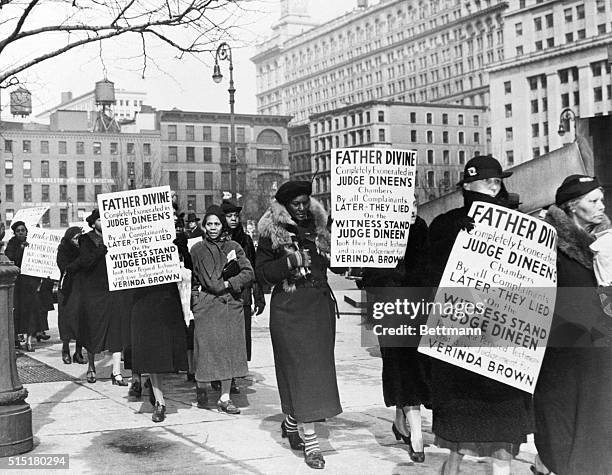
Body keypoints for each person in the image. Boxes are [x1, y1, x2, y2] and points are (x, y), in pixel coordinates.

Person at [428, 155, 534, 475]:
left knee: (501, 435)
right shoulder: (446, 225)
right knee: (460, 437)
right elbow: (429, 279)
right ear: (467, 185)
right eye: (488, 180)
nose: (495, 184)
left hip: (503, 340)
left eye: (498, 180)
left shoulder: (519, 224)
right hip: (463, 339)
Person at [256, 180, 342, 470]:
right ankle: (313, 444)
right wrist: (290, 261)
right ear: (285, 206)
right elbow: (264, 273)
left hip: (319, 309)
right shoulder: (271, 232)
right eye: (297, 204)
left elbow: (335, 264)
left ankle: (292, 421)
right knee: (301, 373)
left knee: (316, 373)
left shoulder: (319, 227)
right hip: (289, 311)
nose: (303, 208)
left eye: (306, 202)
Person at [533, 175, 612, 474]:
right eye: (592, 201)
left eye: (601, 199)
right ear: (571, 207)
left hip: (600, 356)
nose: (601, 206)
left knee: (598, 432)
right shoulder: (547, 246)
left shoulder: (606, 244)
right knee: (560, 429)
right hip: (561, 357)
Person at [362, 202, 431, 463]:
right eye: (405, 204)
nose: (411, 208)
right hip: (391, 309)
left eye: (414, 203)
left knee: (417, 369)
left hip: (419, 309)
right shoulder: (378, 232)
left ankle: (402, 419)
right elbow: (370, 276)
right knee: (401, 368)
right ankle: (417, 437)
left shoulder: (422, 230)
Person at [190, 206, 253, 414]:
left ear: (222, 225)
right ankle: (201, 386)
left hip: (229, 306)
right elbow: (204, 280)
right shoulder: (198, 249)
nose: (213, 228)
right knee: (206, 349)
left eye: (217, 224)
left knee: (229, 351)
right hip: (207, 305)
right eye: (209, 224)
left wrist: (230, 283)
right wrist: (197, 300)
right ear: (204, 226)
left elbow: (248, 272)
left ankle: (225, 398)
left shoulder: (233, 246)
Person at [77, 209, 127, 386]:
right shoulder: (85, 240)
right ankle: (91, 366)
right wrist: (100, 251)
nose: (103, 222)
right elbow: (85, 263)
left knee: (116, 330)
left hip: (114, 290)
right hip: (94, 292)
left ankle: (116, 372)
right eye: (99, 219)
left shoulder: (118, 237)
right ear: (92, 223)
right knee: (93, 329)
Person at [221, 200, 266, 365]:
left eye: (236, 216)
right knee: (223, 334)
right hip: (222, 293)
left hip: (243, 295)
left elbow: (254, 269)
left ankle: (238, 370)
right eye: (229, 216)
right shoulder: (216, 239)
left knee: (242, 333)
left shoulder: (246, 240)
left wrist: (259, 297)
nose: (233, 219)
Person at [5, 221, 44, 352]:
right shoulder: (12, 244)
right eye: (18, 231)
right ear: (15, 233)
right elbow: (10, 259)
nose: (21, 232)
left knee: (31, 311)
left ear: (27, 231)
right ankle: (16, 338)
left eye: (23, 230)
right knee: (18, 312)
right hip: (18, 284)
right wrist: (21, 249)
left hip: (30, 284)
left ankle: (29, 340)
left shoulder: (33, 242)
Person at [56, 226, 87, 364]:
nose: (78, 240)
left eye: (80, 237)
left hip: (82, 288)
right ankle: (65, 349)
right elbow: (66, 267)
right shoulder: (63, 250)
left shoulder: (85, 250)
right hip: (67, 290)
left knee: (81, 320)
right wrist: (81, 260)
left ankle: (78, 351)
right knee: (66, 320)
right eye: (75, 238)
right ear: (69, 238)